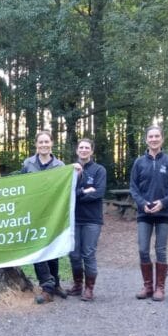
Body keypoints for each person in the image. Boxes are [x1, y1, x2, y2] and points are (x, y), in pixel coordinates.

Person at [129, 125, 168, 301]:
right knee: (143, 249)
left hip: (164, 213)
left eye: (157, 136)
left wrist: (163, 202)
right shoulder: (139, 162)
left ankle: (160, 288)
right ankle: (148, 287)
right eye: (150, 136)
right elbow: (133, 187)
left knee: (161, 250)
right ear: (146, 140)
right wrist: (142, 203)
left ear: (162, 139)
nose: (153, 139)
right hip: (144, 213)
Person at [21, 130, 67, 304]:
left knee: (53, 246)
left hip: (54, 212)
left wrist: (76, 170)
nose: (44, 145)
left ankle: (55, 283)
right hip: (34, 212)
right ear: (36, 145)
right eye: (40, 142)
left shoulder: (60, 166)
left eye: (46, 141)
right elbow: (21, 186)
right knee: (38, 247)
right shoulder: (28, 164)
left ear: (52, 143)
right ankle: (46, 287)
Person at [68, 138, 106, 301]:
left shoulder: (99, 170)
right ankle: (77, 285)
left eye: (87, 147)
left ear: (91, 151)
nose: (83, 150)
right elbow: (66, 194)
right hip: (73, 219)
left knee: (88, 254)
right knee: (74, 254)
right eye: (81, 147)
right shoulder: (69, 170)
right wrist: (84, 192)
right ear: (77, 151)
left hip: (92, 220)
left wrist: (78, 194)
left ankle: (89, 289)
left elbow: (98, 193)